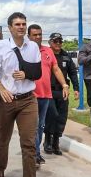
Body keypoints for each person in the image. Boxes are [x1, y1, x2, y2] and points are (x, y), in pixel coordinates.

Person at [0, 12, 46, 177]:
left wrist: (26, 73)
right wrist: (1, 88)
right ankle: (0, 168)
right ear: (10, 28)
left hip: (28, 100)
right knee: (3, 139)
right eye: (17, 24)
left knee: (28, 144)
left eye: (23, 24)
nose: (21, 27)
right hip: (5, 100)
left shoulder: (33, 47)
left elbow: (36, 73)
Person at [27, 24, 67, 165]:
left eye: (39, 34)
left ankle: (35, 152)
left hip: (45, 95)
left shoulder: (48, 51)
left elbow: (55, 69)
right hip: (29, 96)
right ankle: (34, 154)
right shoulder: (23, 50)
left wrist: (64, 84)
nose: (38, 37)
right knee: (33, 125)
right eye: (34, 35)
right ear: (29, 36)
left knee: (40, 126)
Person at [45, 33, 79, 155]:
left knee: (61, 117)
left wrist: (76, 88)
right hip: (49, 91)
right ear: (50, 42)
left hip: (62, 91)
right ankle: (47, 141)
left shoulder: (66, 57)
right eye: (55, 41)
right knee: (51, 116)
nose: (58, 43)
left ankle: (56, 142)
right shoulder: (46, 55)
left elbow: (73, 73)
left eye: (60, 41)